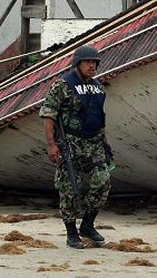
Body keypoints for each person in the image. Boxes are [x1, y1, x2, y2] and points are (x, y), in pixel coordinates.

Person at [39, 44, 112, 249]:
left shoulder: (97, 87)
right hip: (70, 143)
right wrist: (51, 145)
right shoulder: (62, 85)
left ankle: (87, 225)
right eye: (88, 62)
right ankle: (71, 233)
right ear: (77, 64)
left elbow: (101, 117)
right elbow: (49, 115)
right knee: (69, 188)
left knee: (103, 181)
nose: (92, 66)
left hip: (94, 143)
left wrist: (105, 143)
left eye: (94, 63)